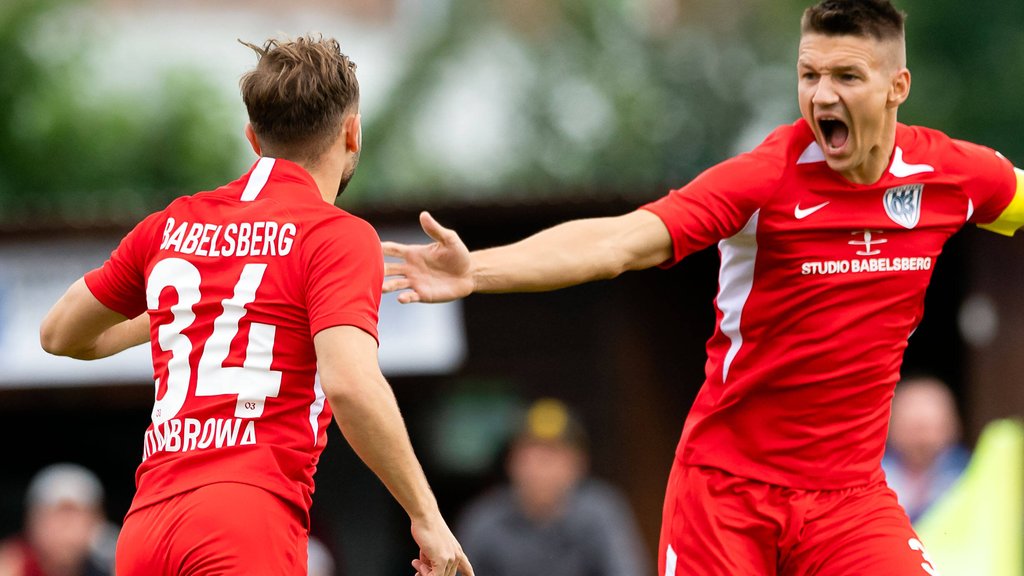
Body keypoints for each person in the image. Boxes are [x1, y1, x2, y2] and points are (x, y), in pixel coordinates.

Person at [380, 1, 1024, 573]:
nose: (822, 95)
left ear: (897, 87)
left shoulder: (951, 174)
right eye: (809, 75)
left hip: (848, 499)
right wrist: (477, 270)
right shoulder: (765, 179)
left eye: (846, 77)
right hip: (727, 496)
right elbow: (618, 242)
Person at [39, 36, 472, 576]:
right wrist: (427, 516)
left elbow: (59, 334)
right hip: (245, 517)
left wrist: (188, 311)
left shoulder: (172, 223)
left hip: (147, 526)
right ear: (352, 132)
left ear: (252, 137)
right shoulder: (336, 234)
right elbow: (350, 384)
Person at [457, 398, 649, 576]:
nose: (540, 469)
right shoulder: (484, 520)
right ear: (511, 462)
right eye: (531, 455)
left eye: (552, 456)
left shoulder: (601, 512)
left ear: (578, 463)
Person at [882, 376, 971, 523]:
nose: (920, 438)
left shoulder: (971, 473)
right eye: (911, 427)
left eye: (928, 426)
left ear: (953, 425)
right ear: (889, 426)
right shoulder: (869, 476)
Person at [0, 463, 115, 576]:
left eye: (75, 516)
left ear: (99, 520)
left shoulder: (112, 563)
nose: (66, 528)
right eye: (57, 515)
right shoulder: (12, 565)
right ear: (32, 521)